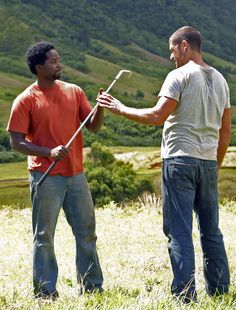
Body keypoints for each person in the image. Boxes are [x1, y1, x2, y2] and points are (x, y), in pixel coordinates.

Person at [97, 26, 231, 302]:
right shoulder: (220, 79)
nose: (170, 56)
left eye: (172, 49)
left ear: (184, 45)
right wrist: (214, 165)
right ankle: (219, 292)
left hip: (179, 159)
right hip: (207, 162)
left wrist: (119, 109)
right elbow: (225, 130)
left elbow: (158, 116)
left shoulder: (179, 75)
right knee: (211, 231)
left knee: (179, 231)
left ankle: (184, 296)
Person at [7, 41, 104, 299]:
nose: (58, 64)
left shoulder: (74, 91)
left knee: (87, 233)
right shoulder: (25, 100)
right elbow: (15, 142)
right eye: (53, 61)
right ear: (39, 67)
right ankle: (46, 293)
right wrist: (47, 152)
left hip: (76, 175)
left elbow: (92, 126)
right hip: (45, 176)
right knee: (44, 236)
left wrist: (101, 107)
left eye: (59, 59)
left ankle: (92, 288)